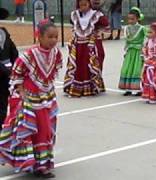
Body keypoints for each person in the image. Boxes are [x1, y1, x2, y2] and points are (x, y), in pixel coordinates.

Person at [0, 18, 62, 178]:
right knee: (34, 130)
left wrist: (47, 88)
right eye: (50, 37)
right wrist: (21, 92)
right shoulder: (29, 55)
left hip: (46, 98)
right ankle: (38, 165)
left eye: (56, 37)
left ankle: (40, 163)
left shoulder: (56, 53)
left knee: (46, 130)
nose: (54, 40)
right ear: (39, 37)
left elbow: (53, 71)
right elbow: (17, 74)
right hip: (30, 99)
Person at [64, 0, 108, 97]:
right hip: (78, 45)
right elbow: (72, 24)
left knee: (89, 64)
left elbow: (105, 23)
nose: (83, 7)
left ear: (89, 4)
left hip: (90, 45)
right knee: (78, 64)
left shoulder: (96, 15)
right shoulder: (75, 15)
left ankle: (92, 86)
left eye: (85, 4)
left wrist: (98, 32)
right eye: (81, 5)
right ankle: (76, 86)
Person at [119, 7, 146, 96]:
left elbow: (146, 39)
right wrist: (126, 50)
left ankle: (139, 89)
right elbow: (127, 41)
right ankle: (128, 88)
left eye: (132, 19)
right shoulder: (127, 28)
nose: (130, 21)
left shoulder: (142, 28)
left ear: (138, 18)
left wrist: (144, 51)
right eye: (129, 19)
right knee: (127, 68)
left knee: (137, 69)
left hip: (138, 51)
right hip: (130, 51)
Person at [0, 8, 19, 131]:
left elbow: (13, 52)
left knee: (3, 103)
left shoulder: (4, 32)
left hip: (5, 75)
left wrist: (16, 68)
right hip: (3, 72)